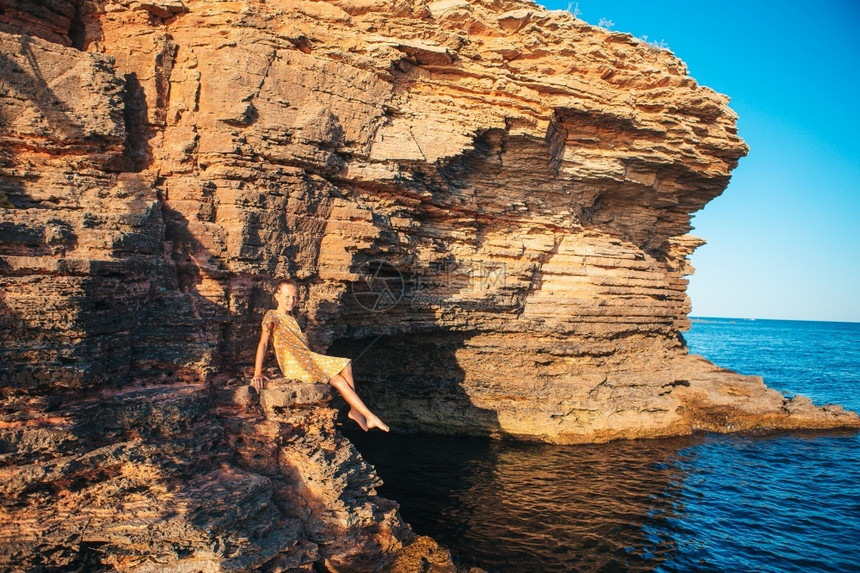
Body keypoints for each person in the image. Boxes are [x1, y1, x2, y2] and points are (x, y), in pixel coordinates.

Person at [252, 279, 389, 432]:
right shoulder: (272, 316)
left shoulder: (292, 319)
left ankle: (356, 411)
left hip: (307, 358)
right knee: (338, 378)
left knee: (346, 365)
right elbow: (263, 343)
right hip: (294, 363)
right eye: (287, 296)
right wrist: (257, 373)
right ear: (277, 296)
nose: (291, 301)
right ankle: (368, 415)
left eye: (295, 297)